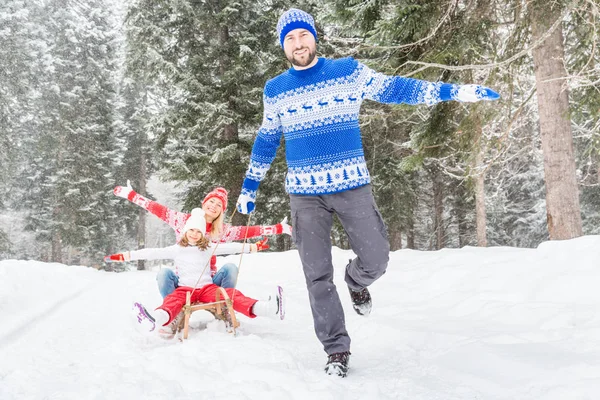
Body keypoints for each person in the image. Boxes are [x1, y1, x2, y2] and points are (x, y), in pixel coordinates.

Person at [235, 8, 501, 377]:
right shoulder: (276, 89)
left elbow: (397, 88)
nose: (298, 44)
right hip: (304, 194)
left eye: (303, 36)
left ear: (314, 36)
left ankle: (357, 281)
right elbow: (266, 138)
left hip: (352, 185)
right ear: (284, 46)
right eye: (290, 39)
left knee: (377, 258)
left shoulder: (347, 72)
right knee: (316, 276)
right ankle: (336, 351)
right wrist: (250, 186)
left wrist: (454, 91)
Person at [105, 208, 283, 338]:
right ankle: (156, 318)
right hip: (185, 288)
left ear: (203, 234)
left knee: (229, 294)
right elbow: (152, 252)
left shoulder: (208, 248)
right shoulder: (177, 249)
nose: (195, 234)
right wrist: (126, 256)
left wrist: (253, 247)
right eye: (191, 230)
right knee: (173, 300)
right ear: (185, 231)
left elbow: (231, 247)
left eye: (199, 231)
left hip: (207, 287)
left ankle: (267, 309)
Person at [114, 183, 291, 297]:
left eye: (219, 205)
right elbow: (156, 208)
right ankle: (172, 310)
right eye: (211, 202)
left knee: (230, 268)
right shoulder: (181, 220)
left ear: (221, 211)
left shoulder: (221, 231)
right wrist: (131, 195)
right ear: (204, 203)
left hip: (209, 282)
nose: (213, 206)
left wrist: (278, 228)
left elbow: (248, 231)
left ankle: (225, 305)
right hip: (183, 280)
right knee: (163, 274)